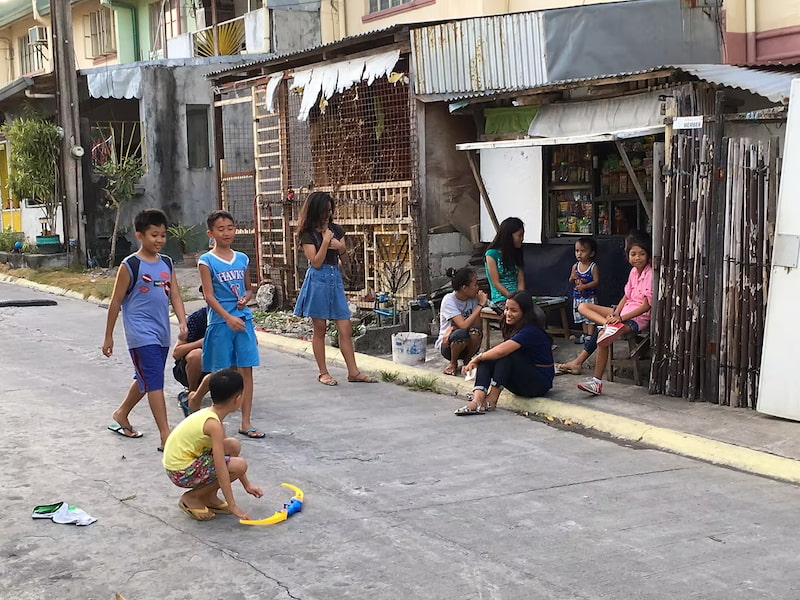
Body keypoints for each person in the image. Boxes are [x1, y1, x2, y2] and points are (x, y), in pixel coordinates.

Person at [102, 208, 188, 450]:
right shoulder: (130, 265)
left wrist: (182, 321)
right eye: (154, 235)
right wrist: (108, 336)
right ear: (140, 235)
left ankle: (121, 413)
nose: (159, 240)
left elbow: (176, 296)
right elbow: (116, 302)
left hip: (162, 333)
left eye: (162, 235)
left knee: (146, 378)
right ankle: (165, 435)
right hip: (140, 335)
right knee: (155, 381)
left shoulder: (167, 263)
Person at [186, 210, 264, 439]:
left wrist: (246, 297)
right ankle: (197, 399)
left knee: (246, 370)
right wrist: (228, 317)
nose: (226, 233)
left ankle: (246, 422)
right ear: (211, 233)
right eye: (221, 229)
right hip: (220, 322)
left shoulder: (242, 258)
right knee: (220, 373)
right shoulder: (206, 261)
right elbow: (209, 296)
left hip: (243, 320)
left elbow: (249, 287)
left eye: (230, 227)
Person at [293, 191, 376, 386]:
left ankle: (353, 371)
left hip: (334, 280)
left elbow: (345, 260)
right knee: (320, 328)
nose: (327, 215)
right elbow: (316, 262)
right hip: (317, 280)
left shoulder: (336, 229)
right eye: (324, 211)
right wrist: (325, 242)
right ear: (316, 211)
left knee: (345, 327)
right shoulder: (308, 234)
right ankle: (323, 372)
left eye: (330, 211)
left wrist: (340, 248)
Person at [555, 234, 653, 394]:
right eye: (633, 254)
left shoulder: (649, 273)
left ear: (647, 254)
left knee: (603, 336)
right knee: (583, 307)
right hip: (623, 313)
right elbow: (626, 297)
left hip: (635, 319)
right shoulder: (634, 272)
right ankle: (607, 325)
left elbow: (645, 306)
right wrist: (616, 315)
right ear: (627, 256)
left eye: (642, 254)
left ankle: (596, 382)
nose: (637, 258)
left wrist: (620, 318)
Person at [163, 369, 263, 521]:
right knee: (239, 465)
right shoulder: (213, 424)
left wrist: (247, 485)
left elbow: (227, 453)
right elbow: (221, 467)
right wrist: (232, 505)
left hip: (182, 463)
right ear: (238, 399)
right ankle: (192, 497)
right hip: (181, 471)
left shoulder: (211, 415)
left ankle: (208, 496)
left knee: (233, 445)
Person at [454, 291, 554, 415]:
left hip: (538, 384)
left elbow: (502, 351)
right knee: (488, 357)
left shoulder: (531, 331)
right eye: (506, 309)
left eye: (514, 310)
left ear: (525, 313)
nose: (508, 313)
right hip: (521, 381)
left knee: (505, 355)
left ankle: (492, 399)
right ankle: (477, 400)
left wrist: (476, 359)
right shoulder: (514, 327)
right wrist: (481, 358)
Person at [435, 267, 488, 376]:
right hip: (448, 345)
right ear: (464, 288)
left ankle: (467, 361)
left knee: (476, 331)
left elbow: (477, 325)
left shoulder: (474, 299)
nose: (477, 288)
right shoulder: (449, 300)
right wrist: (481, 305)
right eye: (474, 285)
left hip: (469, 344)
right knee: (460, 334)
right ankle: (453, 363)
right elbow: (463, 325)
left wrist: (454, 327)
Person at [172, 303, 208, 417]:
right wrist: (202, 343)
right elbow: (176, 353)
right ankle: (191, 394)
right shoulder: (196, 318)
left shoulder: (233, 317)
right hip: (190, 369)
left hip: (219, 366)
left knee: (238, 354)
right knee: (196, 355)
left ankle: (231, 392)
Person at [484, 217, 525, 310]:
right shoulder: (491, 254)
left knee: (538, 314)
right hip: (501, 299)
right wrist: (511, 298)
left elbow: (520, 280)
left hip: (518, 298)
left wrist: (522, 298)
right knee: (520, 316)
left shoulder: (517, 252)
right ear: (509, 236)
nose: (522, 239)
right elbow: (496, 283)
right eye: (520, 235)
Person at [569, 237, 600, 344]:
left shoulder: (593, 266)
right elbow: (571, 280)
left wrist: (585, 287)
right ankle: (585, 334)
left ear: (591, 253)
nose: (579, 254)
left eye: (583, 251)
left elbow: (596, 281)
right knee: (581, 317)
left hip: (589, 297)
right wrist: (572, 278)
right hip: (578, 297)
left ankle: (590, 336)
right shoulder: (575, 266)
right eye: (577, 251)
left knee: (590, 317)